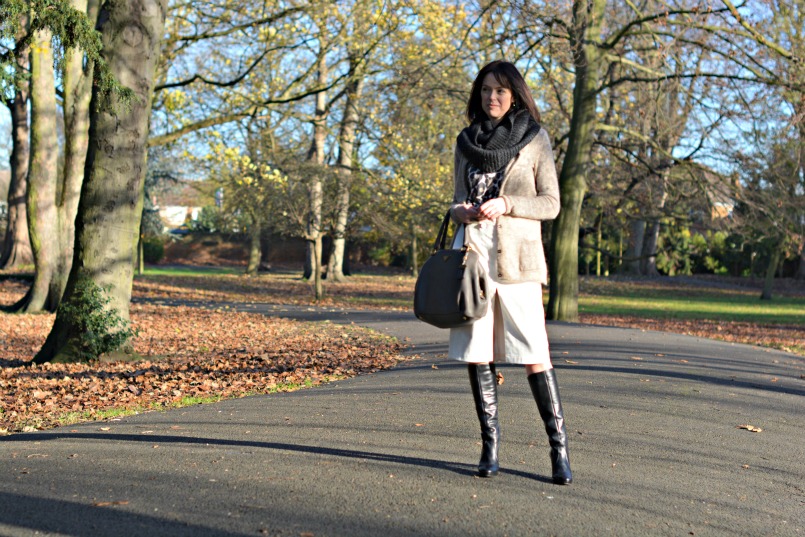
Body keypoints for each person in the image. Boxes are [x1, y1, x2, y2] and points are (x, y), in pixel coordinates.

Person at [448, 60, 571, 485]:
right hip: (472, 256)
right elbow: (456, 198)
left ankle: (558, 452)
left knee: (535, 354)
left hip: (518, 260)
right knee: (477, 351)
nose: (492, 98)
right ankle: (490, 446)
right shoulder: (465, 142)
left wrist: (509, 204)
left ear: (515, 94)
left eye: (500, 91)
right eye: (485, 90)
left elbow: (551, 203)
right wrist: (460, 210)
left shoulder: (535, 139)